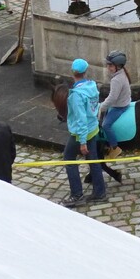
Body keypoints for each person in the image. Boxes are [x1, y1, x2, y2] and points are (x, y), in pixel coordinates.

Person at [61, 58, 107, 207]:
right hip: (93, 129)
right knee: (93, 160)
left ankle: (77, 194)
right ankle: (99, 192)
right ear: (85, 71)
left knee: (69, 158)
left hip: (81, 133)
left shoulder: (76, 95)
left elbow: (80, 119)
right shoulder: (92, 86)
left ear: (73, 73)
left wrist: (82, 142)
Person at [100, 51, 131, 161]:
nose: (108, 67)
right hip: (124, 101)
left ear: (118, 66)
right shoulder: (121, 74)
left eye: (111, 65)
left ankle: (115, 147)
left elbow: (113, 98)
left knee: (105, 125)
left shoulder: (116, 79)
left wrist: (102, 107)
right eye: (108, 65)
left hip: (120, 107)